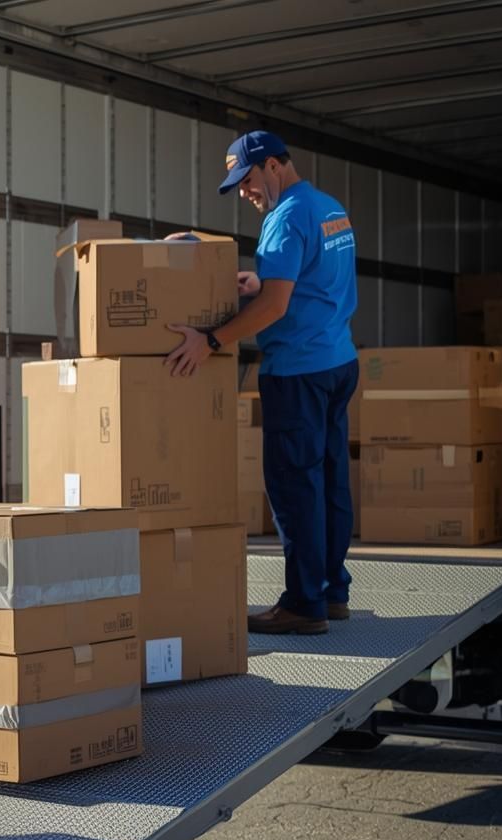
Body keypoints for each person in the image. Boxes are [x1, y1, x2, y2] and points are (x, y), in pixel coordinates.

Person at [163, 129, 358, 636]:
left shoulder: (286, 217)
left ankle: (302, 604)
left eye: (247, 180)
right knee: (331, 481)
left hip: (298, 372)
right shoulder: (327, 207)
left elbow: (275, 307)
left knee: (296, 487)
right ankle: (332, 592)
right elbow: (307, 280)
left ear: (274, 165)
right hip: (337, 361)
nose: (245, 193)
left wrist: (210, 340)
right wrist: (258, 280)